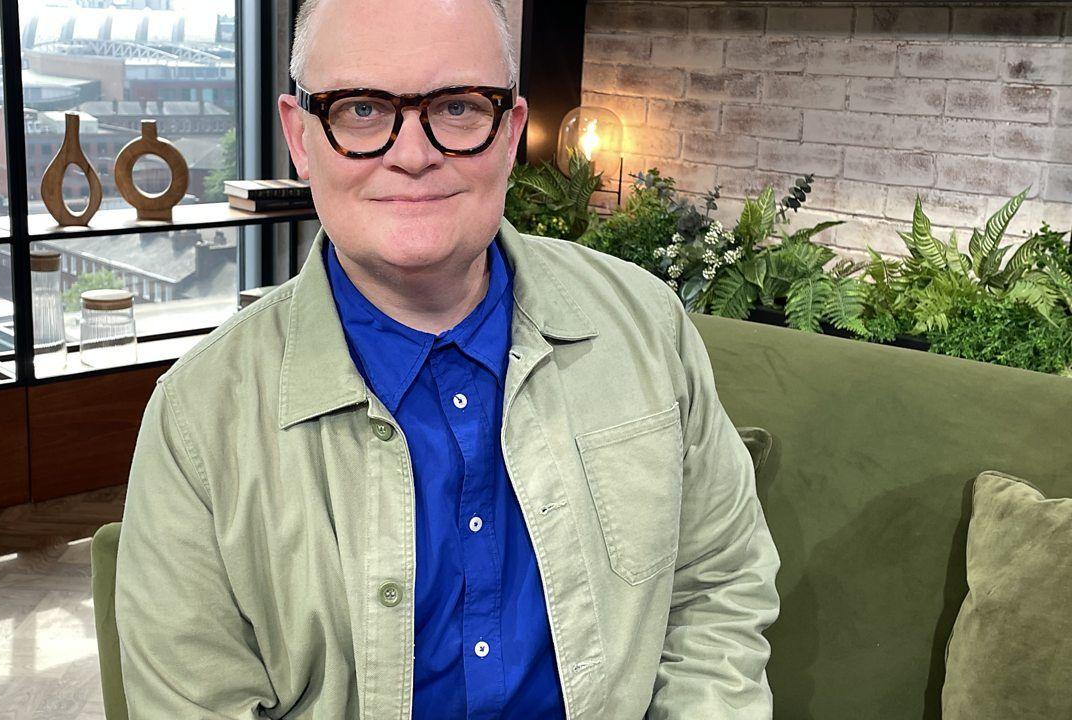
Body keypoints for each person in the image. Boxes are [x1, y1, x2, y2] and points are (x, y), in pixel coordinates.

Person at [115, 0, 781, 717]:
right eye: (362, 109)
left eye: (459, 107)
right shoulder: (198, 420)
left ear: (512, 132)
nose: (412, 153)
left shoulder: (646, 327)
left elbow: (717, 585)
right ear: (300, 138)